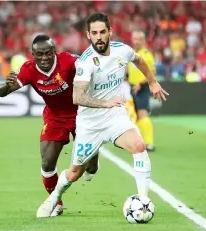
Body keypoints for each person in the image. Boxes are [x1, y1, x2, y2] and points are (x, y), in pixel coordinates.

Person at [36, 13, 168, 218]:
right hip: (90, 123)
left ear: (110, 32)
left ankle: (143, 200)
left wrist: (152, 81)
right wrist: (105, 102)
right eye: (94, 33)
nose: (99, 36)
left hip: (115, 116)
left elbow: (139, 60)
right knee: (74, 172)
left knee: (139, 146)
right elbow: (77, 96)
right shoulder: (85, 62)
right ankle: (53, 198)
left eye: (102, 32)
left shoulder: (122, 51)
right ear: (88, 35)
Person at [0, 34, 99, 216]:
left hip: (81, 113)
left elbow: (92, 67)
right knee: (47, 161)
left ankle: (93, 163)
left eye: (48, 53)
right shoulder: (28, 70)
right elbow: (1, 93)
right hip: (55, 117)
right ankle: (56, 203)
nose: (44, 58)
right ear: (32, 54)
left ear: (54, 52)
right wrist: (5, 85)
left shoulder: (68, 61)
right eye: (39, 54)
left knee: (89, 167)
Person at [128, 30, 156, 151]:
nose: (136, 41)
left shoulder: (147, 55)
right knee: (134, 115)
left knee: (142, 113)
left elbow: (152, 72)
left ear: (144, 41)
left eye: (139, 39)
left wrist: (140, 83)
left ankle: (149, 142)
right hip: (132, 87)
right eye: (134, 39)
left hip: (142, 88)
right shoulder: (132, 54)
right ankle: (139, 141)